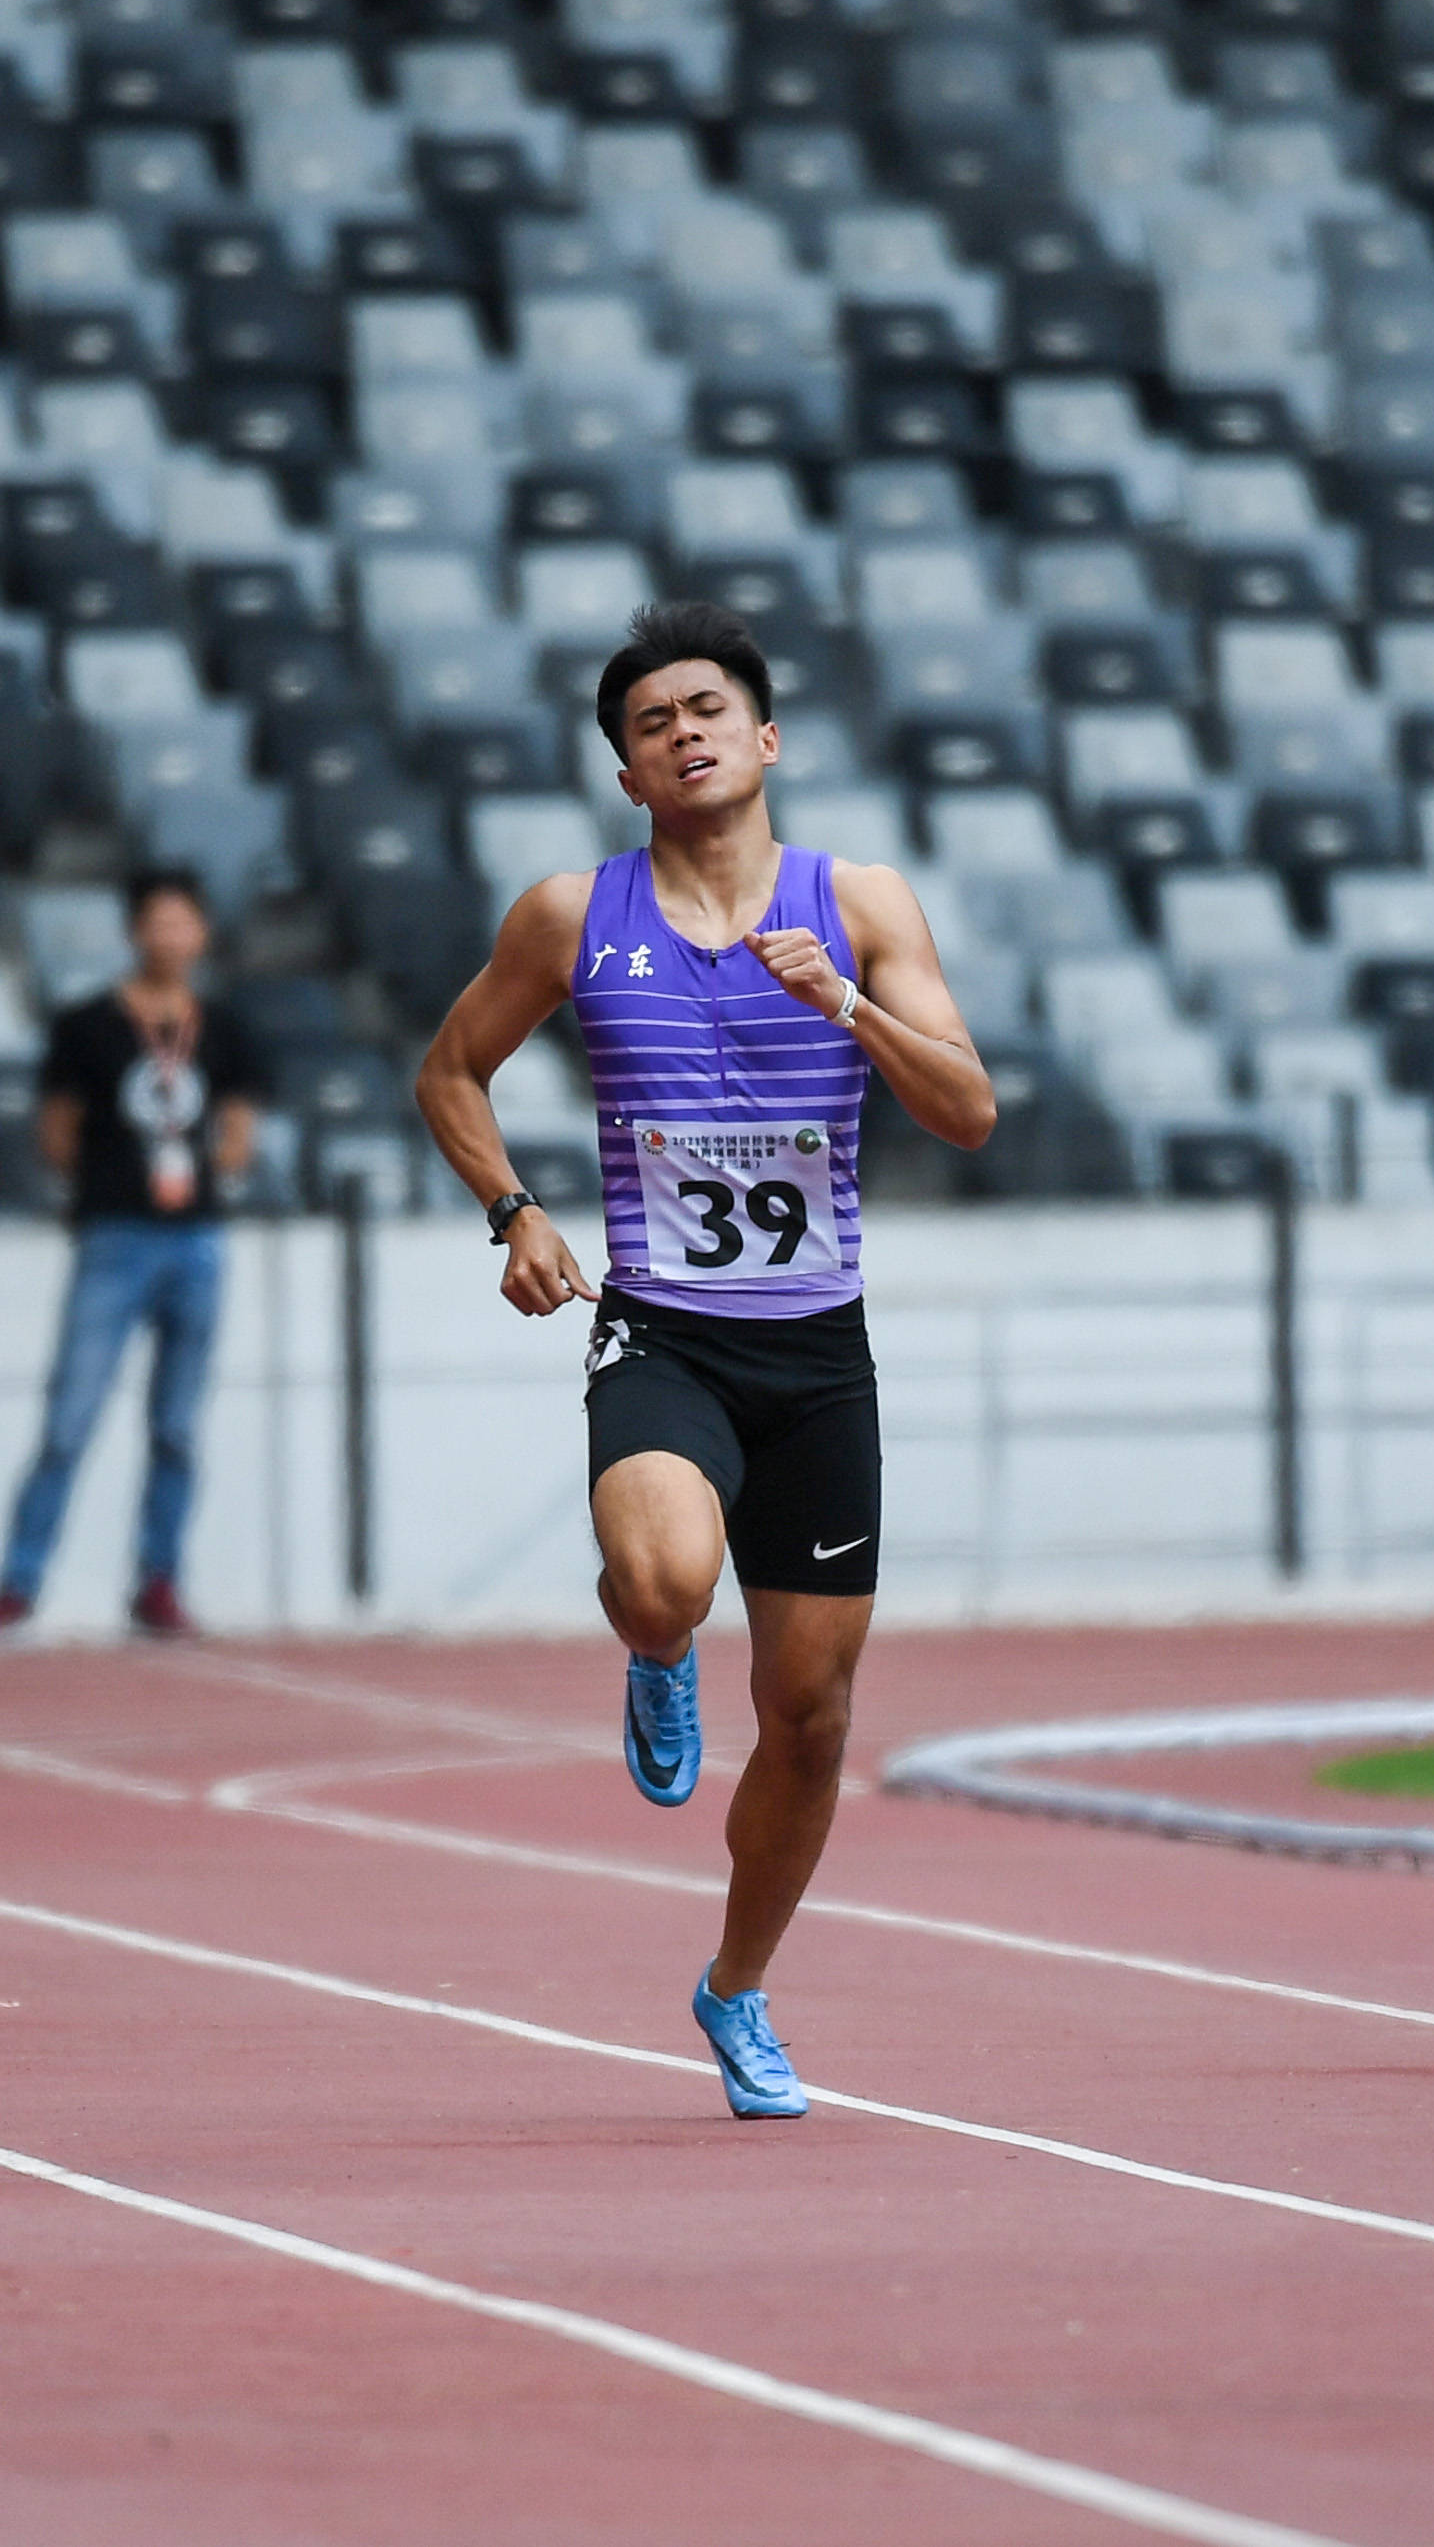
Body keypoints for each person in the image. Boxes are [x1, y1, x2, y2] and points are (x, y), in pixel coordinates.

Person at [412, 601, 995, 2118]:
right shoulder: (572, 915)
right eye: (653, 721)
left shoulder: (859, 903)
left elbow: (969, 1110)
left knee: (811, 1715)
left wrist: (845, 1004)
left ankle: (736, 1987)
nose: (684, 731)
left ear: (768, 737)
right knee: (666, 1576)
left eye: (708, 708)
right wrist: (515, 1212)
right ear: (628, 772)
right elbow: (451, 1066)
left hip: (819, 1352)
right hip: (663, 1328)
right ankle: (656, 1651)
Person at [0, 867, 268, 1641]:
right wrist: (115, 1180)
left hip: (197, 1238)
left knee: (176, 1426)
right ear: (136, 932)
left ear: (201, 934)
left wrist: (203, 1167)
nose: (171, 937)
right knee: (70, 1418)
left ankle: (158, 1582)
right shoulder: (86, 1027)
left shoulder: (227, 1029)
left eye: (184, 923)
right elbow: (55, 1135)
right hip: (115, 1235)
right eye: (157, 923)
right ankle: (17, 1584)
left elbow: (238, 1134)